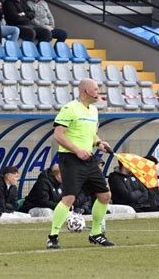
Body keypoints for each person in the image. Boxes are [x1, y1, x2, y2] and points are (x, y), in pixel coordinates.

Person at [47, 78, 114, 249]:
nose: (98, 92)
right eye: (96, 89)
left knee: (105, 195)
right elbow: (58, 134)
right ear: (85, 91)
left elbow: (91, 135)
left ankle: (96, 234)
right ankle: (53, 237)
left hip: (89, 159)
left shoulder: (93, 110)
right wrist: (77, 150)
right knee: (69, 198)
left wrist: (99, 143)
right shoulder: (69, 108)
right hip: (70, 159)